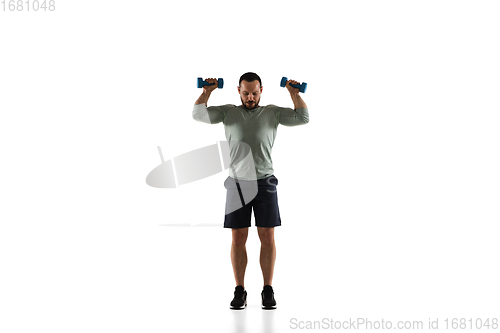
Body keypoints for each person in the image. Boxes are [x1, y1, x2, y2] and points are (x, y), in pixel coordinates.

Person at [192, 72, 309, 309]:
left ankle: (267, 289)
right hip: (237, 183)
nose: (250, 97)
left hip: (265, 183)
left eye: (254, 93)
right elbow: (198, 114)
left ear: (261, 90)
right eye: (245, 93)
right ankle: (240, 290)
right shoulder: (228, 112)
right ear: (238, 91)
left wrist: (293, 94)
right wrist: (207, 92)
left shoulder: (272, 112)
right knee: (238, 238)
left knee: (267, 237)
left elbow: (303, 117)